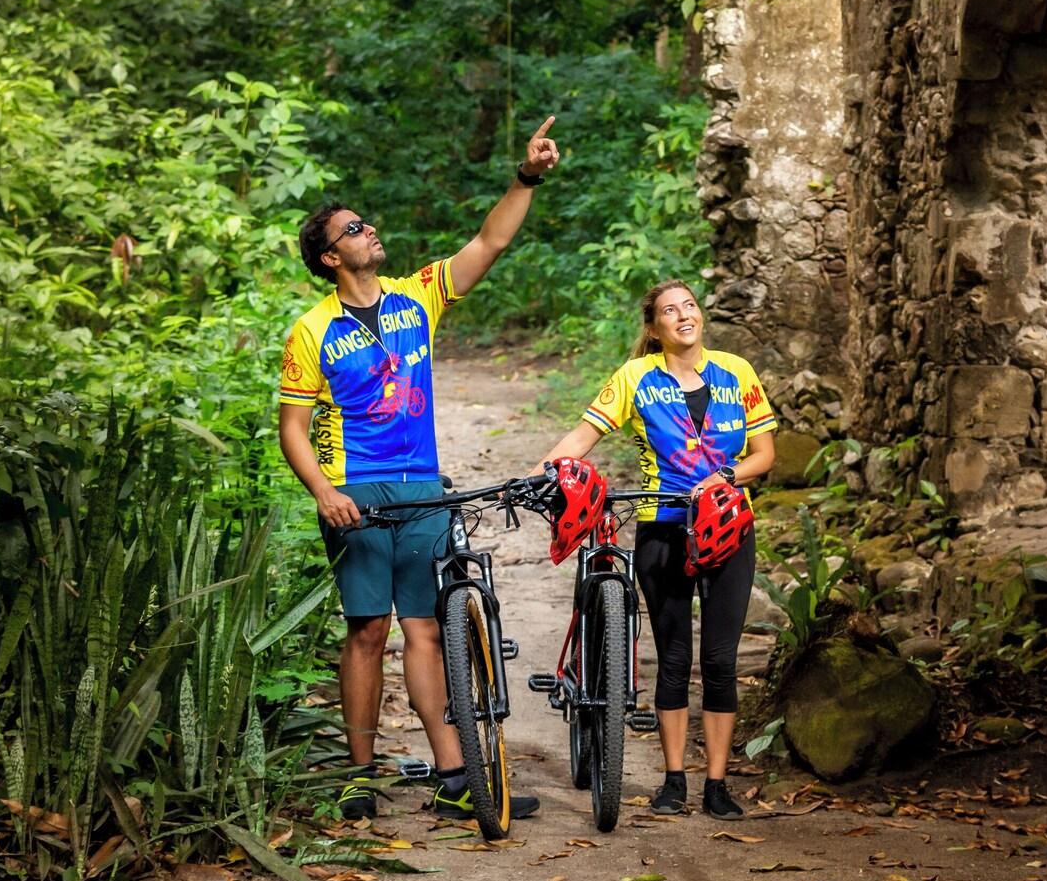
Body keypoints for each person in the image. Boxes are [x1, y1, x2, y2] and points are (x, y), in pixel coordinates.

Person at [278, 117, 562, 823]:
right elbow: (291, 428)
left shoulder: (417, 296)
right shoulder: (312, 329)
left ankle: (454, 774)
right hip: (357, 491)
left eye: (365, 224)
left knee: (427, 628)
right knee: (368, 629)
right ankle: (359, 775)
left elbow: (490, 240)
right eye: (353, 230)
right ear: (328, 259)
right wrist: (324, 492)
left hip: (423, 485)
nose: (368, 232)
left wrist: (525, 176)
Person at [542, 280, 777, 819]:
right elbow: (583, 436)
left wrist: (724, 476)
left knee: (719, 660)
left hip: (729, 527)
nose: (683, 315)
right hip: (662, 528)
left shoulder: (737, 372)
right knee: (673, 658)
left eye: (689, 305)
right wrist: (540, 472)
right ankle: (674, 781)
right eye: (670, 311)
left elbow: (765, 452)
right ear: (654, 328)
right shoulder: (636, 378)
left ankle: (717, 784)